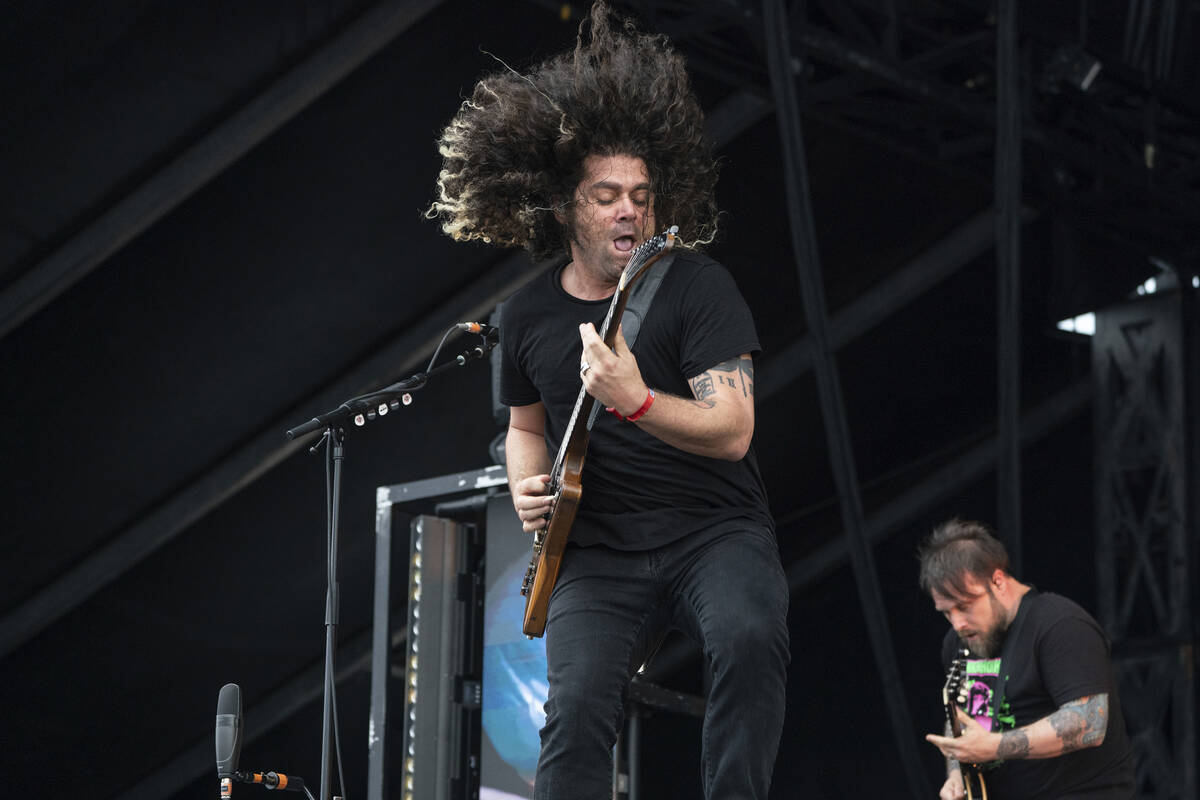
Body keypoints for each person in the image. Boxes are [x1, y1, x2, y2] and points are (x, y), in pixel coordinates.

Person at [425, 4, 789, 799]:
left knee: (750, 637)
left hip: (712, 532)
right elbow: (524, 428)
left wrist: (634, 400)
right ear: (565, 210)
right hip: (595, 549)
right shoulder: (524, 317)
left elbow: (733, 431)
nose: (629, 209)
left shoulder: (696, 286)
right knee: (577, 705)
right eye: (606, 196)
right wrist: (525, 483)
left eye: (641, 195)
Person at [919, 518, 1135, 800]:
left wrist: (994, 746)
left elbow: (1089, 722)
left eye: (964, 606)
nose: (957, 623)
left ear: (997, 581)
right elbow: (961, 720)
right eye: (947, 612)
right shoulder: (957, 642)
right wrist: (958, 773)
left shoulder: (1058, 623)